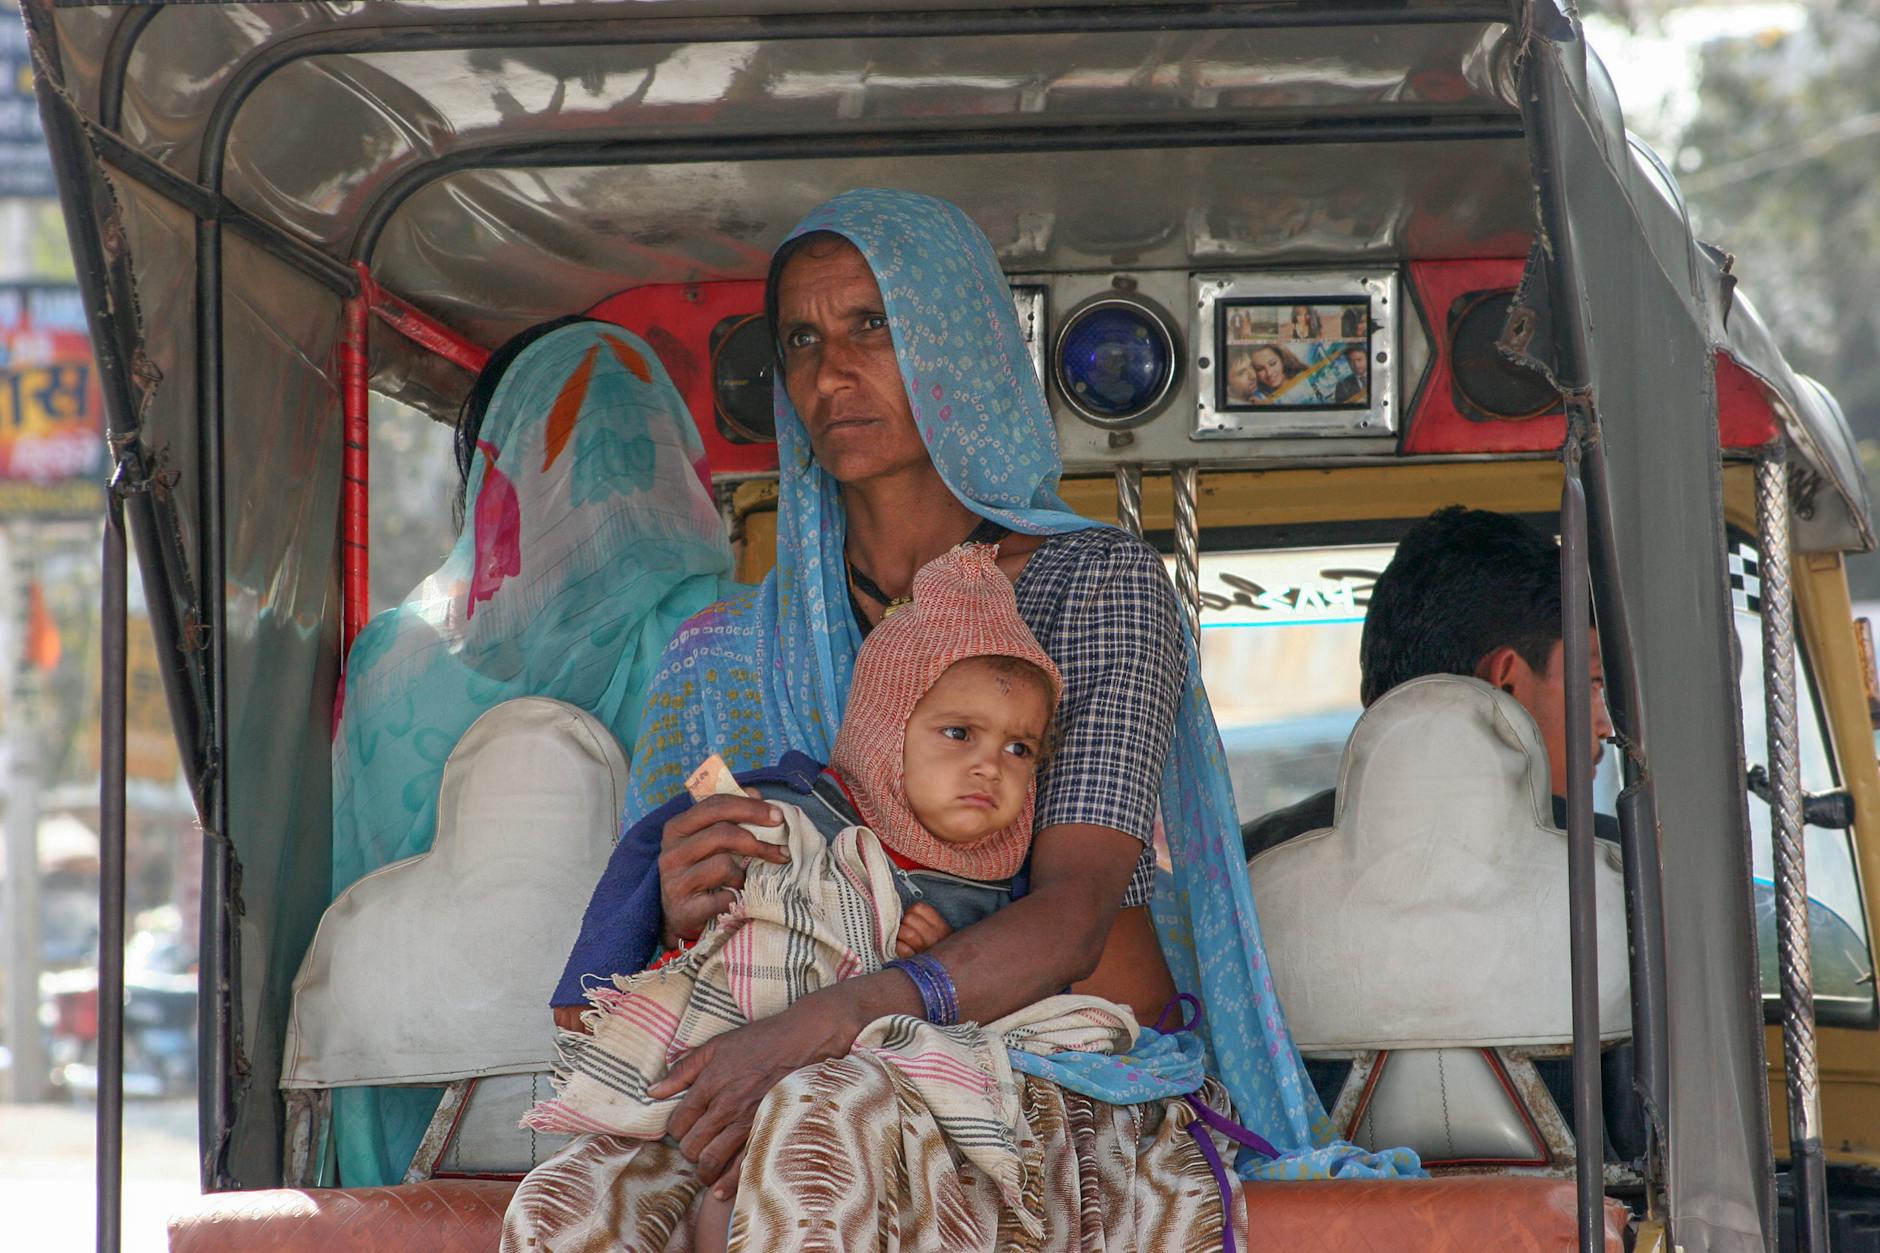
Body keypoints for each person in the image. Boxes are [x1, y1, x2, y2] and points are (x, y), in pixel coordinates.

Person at [512, 189, 1411, 1253]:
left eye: (870, 326)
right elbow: (690, 964)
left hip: (1051, 1074)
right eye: (800, 339)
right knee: (571, 1198)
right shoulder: (719, 654)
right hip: (767, 1057)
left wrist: (828, 1025)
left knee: (812, 1129)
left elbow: (1075, 911)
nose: (828, 371)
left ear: (960, 343)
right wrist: (678, 897)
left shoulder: (1096, 587)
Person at [540, 544, 1064, 1252]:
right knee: (572, 1208)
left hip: (839, 1120)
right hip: (705, 1078)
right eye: (959, 732)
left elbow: (998, 1005)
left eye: (1019, 749)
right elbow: (649, 843)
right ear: (888, 723)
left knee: (762, 1210)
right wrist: (592, 970)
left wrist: (942, 957)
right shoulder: (791, 803)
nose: (989, 766)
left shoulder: (1001, 893)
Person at [326, 320, 743, 1186]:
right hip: (680, 1133)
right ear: (674, 460)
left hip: (413, 1138)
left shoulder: (392, 666)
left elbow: (347, 892)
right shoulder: (727, 632)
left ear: (492, 468)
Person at [1241, 504, 1615, 860]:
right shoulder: (1616, 865)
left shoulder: (1240, 866)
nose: (1604, 726)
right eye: (1594, 684)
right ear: (1506, 684)